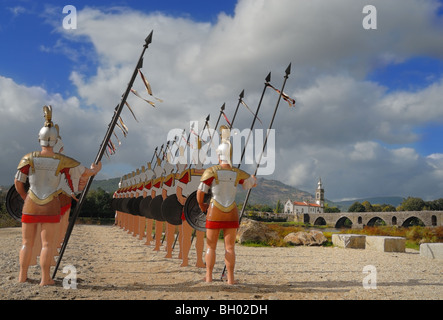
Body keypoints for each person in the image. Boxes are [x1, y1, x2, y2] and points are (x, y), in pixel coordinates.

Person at [14, 106, 101, 286]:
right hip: (50, 205)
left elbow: (18, 183)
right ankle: (45, 279)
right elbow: (86, 172)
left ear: (40, 139)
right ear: (54, 141)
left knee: (26, 242)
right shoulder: (62, 160)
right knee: (47, 244)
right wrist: (96, 169)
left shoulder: (28, 158)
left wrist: (25, 198)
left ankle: (22, 276)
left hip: (30, 203)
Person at [196, 127, 256, 284]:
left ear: (218, 155)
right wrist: (253, 178)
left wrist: (202, 205)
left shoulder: (211, 171)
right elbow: (250, 184)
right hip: (231, 211)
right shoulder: (238, 173)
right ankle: (230, 279)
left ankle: (209, 277)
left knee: (211, 246)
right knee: (230, 248)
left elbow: (200, 192)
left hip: (214, 210)